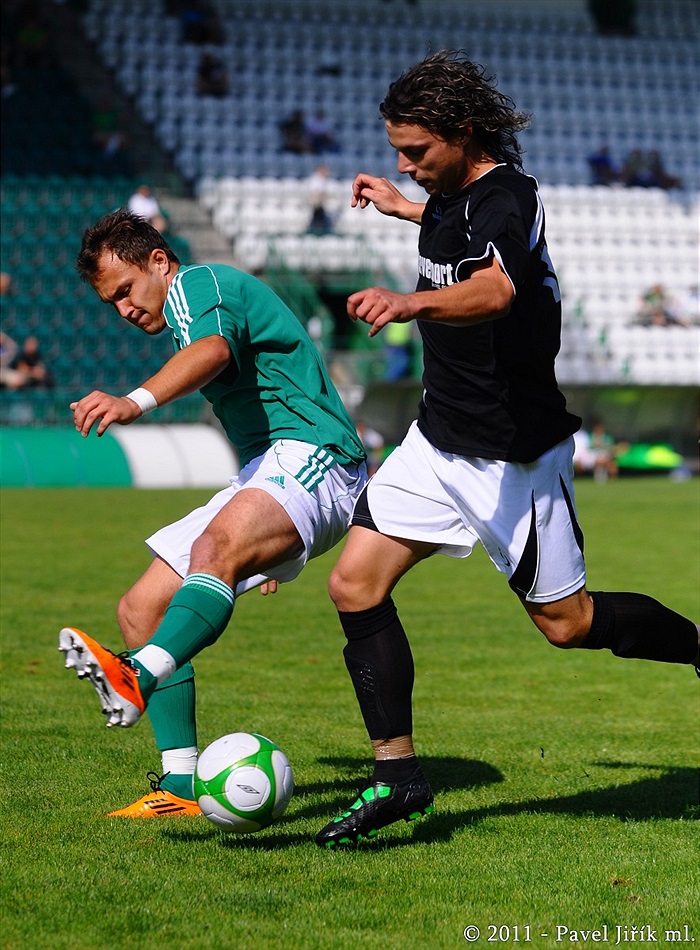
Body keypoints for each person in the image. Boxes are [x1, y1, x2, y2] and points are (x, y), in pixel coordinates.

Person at [313, 51, 700, 848]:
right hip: (436, 441)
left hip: (508, 456)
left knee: (568, 623)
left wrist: (410, 299)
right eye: (396, 153)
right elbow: (454, 234)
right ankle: (399, 779)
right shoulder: (448, 198)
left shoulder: (508, 195)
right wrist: (402, 208)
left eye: (416, 151)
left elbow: (497, 287)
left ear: (463, 133)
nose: (404, 164)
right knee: (354, 586)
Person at [59, 209, 368, 817]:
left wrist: (134, 401)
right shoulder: (185, 309)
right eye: (110, 303)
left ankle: (136, 677)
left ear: (157, 260)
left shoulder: (200, 285)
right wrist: (268, 530)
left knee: (212, 551)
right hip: (269, 473)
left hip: (317, 454)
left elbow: (214, 350)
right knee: (140, 608)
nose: (123, 309)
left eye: (125, 291)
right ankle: (179, 785)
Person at [306, 163, 334, 235]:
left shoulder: (322, 180)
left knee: (321, 219)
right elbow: (315, 192)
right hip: (316, 203)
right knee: (317, 219)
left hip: (320, 204)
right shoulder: (316, 179)